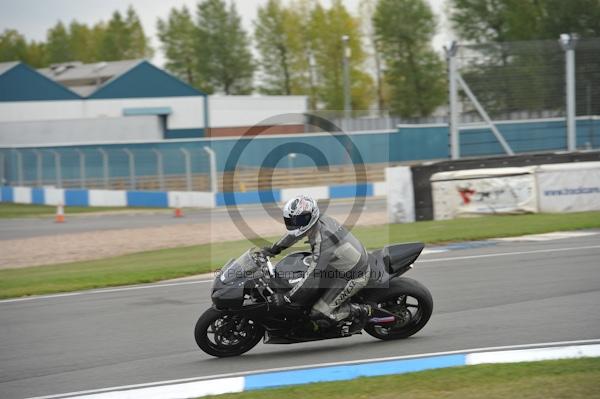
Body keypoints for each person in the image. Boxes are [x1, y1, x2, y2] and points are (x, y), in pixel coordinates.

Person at [262, 195, 372, 335]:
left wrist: (287, 297)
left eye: (299, 220)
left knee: (318, 312)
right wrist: (274, 249)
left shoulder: (323, 241)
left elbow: (313, 278)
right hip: (340, 263)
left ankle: (359, 310)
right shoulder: (317, 222)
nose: (295, 224)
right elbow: (294, 234)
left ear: (311, 216)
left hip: (353, 274)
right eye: (291, 220)